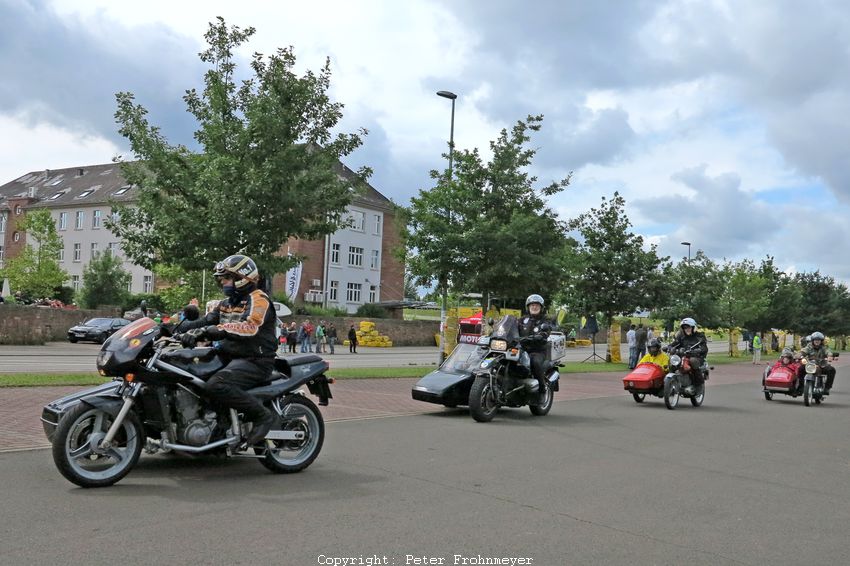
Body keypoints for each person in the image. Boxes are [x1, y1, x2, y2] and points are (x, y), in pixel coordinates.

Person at [174, 254, 278, 446]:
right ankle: (214, 426)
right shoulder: (226, 303)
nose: (223, 283)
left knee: (216, 384)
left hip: (255, 359)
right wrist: (173, 328)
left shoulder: (259, 299)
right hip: (228, 356)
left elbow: (251, 327)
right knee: (188, 372)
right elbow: (204, 321)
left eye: (227, 278)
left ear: (243, 278)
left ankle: (262, 415)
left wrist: (216, 330)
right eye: (222, 279)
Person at [518, 294, 552, 405]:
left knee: (535, 362)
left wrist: (541, 335)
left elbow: (546, 330)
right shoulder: (523, 319)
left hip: (537, 351)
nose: (534, 307)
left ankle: (542, 390)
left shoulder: (544, 320)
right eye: (532, 305)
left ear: (541, 307)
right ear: (528, 306)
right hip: (522, 350)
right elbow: (511, 327)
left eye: (537, 305)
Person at [667, 317, 709, 389]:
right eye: (685, 327)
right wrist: (669, 347)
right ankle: (670, 383)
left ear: (693, 327)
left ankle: (698, 384)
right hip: (683, 356)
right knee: (672, 361)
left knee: (692, 361)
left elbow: (704, 348)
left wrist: (697, 350)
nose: (687, 329)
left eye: (689, 327)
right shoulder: (681, 336)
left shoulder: (700, 336)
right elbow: (675, 343)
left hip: (697, 357)